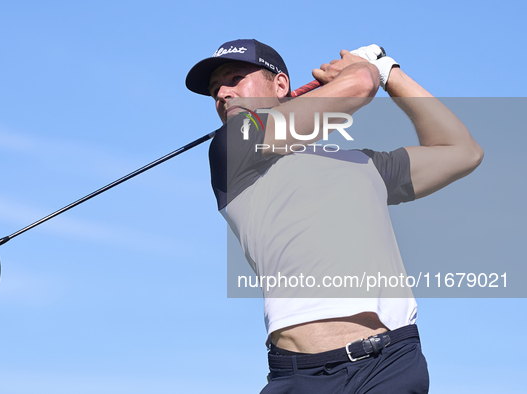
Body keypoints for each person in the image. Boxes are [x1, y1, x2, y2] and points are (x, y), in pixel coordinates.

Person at [186, 39, 483, 393]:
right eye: (215, 90)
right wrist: (363, 70)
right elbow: (359, 86)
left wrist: (390, 73)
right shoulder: (232, 144)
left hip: (390, 365)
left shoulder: (365, 165)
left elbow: (462, 151)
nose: (222, 94)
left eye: (235, 78)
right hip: (300, 376)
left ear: (281, 85)